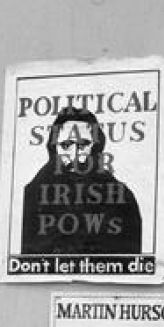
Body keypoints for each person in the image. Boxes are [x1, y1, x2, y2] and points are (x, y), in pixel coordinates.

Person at [21, 107, 142, 257]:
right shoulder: (30, 196)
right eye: (66, 145)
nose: (74, 155)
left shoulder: (123, 198)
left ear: (96, 146)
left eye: (83, 144)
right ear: (54, 148)